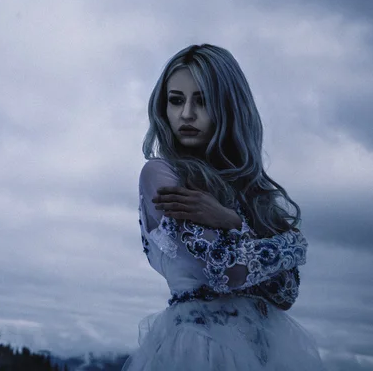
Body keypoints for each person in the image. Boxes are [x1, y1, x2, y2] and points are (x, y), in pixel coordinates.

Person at [122, 44, 326, 370]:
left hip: (265, 350)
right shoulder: (161, 175)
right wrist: (291, 244)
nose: (187, 113)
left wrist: (231, 220)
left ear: (229, 107)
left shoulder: (251, 192)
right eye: (176, 100)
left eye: (202, 100)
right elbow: (225, 273)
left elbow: (285, 293)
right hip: (199, 348)